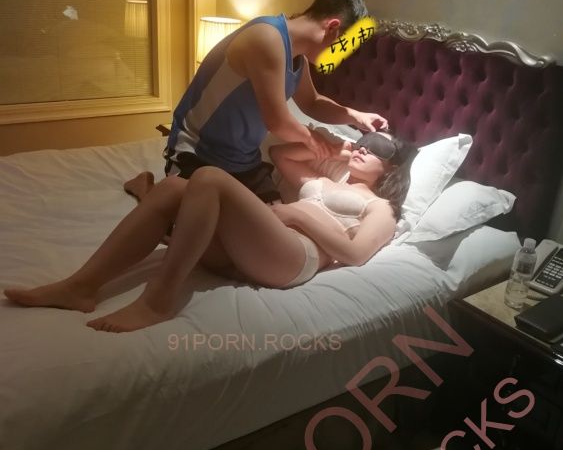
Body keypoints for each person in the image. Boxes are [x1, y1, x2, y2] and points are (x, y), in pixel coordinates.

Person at [3, 131, 417, 333]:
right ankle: (81, 286)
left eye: (377, 148)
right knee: (174, 188)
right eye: (362, 141)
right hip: (255, 247)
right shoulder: (326, 179)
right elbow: (279, 153)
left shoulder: (381, 207)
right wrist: (329, 146)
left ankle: (159, 300)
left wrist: (296, 215)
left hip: (294, 257)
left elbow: (356, 255)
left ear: (393, 167)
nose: (363, 147)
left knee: (211, 178)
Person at [123, 0, 388, 212]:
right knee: (186, 229)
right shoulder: (267, 38)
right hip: (198, 149)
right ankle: (146, 188)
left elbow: (312, 102)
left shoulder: (297, 57)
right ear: (333, 28)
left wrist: (355, 116)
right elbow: (278, 122)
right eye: (342, 47)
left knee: (266, 225)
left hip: (242, 158)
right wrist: (316, 142)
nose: (339, 57)